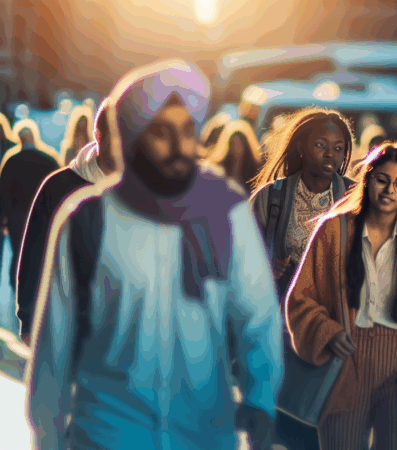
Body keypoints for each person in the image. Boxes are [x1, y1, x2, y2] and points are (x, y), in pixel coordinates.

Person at [26, 59, 283, 450]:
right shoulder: (87, 219)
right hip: (107, 434)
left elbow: (257, 317)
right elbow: (55, 344)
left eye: (186, 130)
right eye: (162, 133)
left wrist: (260, 403)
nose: (180, 146)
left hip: (203, 434)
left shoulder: (227, 214)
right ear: (131, 137)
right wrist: (46, 434)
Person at [287, 142, 397, 449]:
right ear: (367, 180)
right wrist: (327, 332)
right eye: (382, 179)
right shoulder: (334, 231)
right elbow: (300, 298)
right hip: (346, 356)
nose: (389, 189)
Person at [250, 108, 355, 450]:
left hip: (333, 328)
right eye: (321, 144)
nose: (331, 154)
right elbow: (240, 266)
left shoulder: (355, 198)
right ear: (301, 147)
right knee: (276, 423)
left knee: (321, 427)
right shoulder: (272, 198)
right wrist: (268, 268)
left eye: (338, 148)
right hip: (279, 330)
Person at [16, 100, 115, 343]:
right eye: (118, 136)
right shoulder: (59, 186)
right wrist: (28, 320)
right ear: (99, 135)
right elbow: (33, 254)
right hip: (65, 326)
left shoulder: (141, 191)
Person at [0, 124, 60, 264]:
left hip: (17, 217)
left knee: (19, 255)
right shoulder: (49, 159)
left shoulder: (11, 161)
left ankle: (17, 283)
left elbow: (3, 192)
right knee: (40, 254)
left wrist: (2, 218)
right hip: (42, 215)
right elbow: (57, 187)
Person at [205, 120, 264, 195]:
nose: (236, 148)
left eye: (239, 143)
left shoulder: (254, 168)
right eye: (233, 143)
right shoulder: (219, 166)